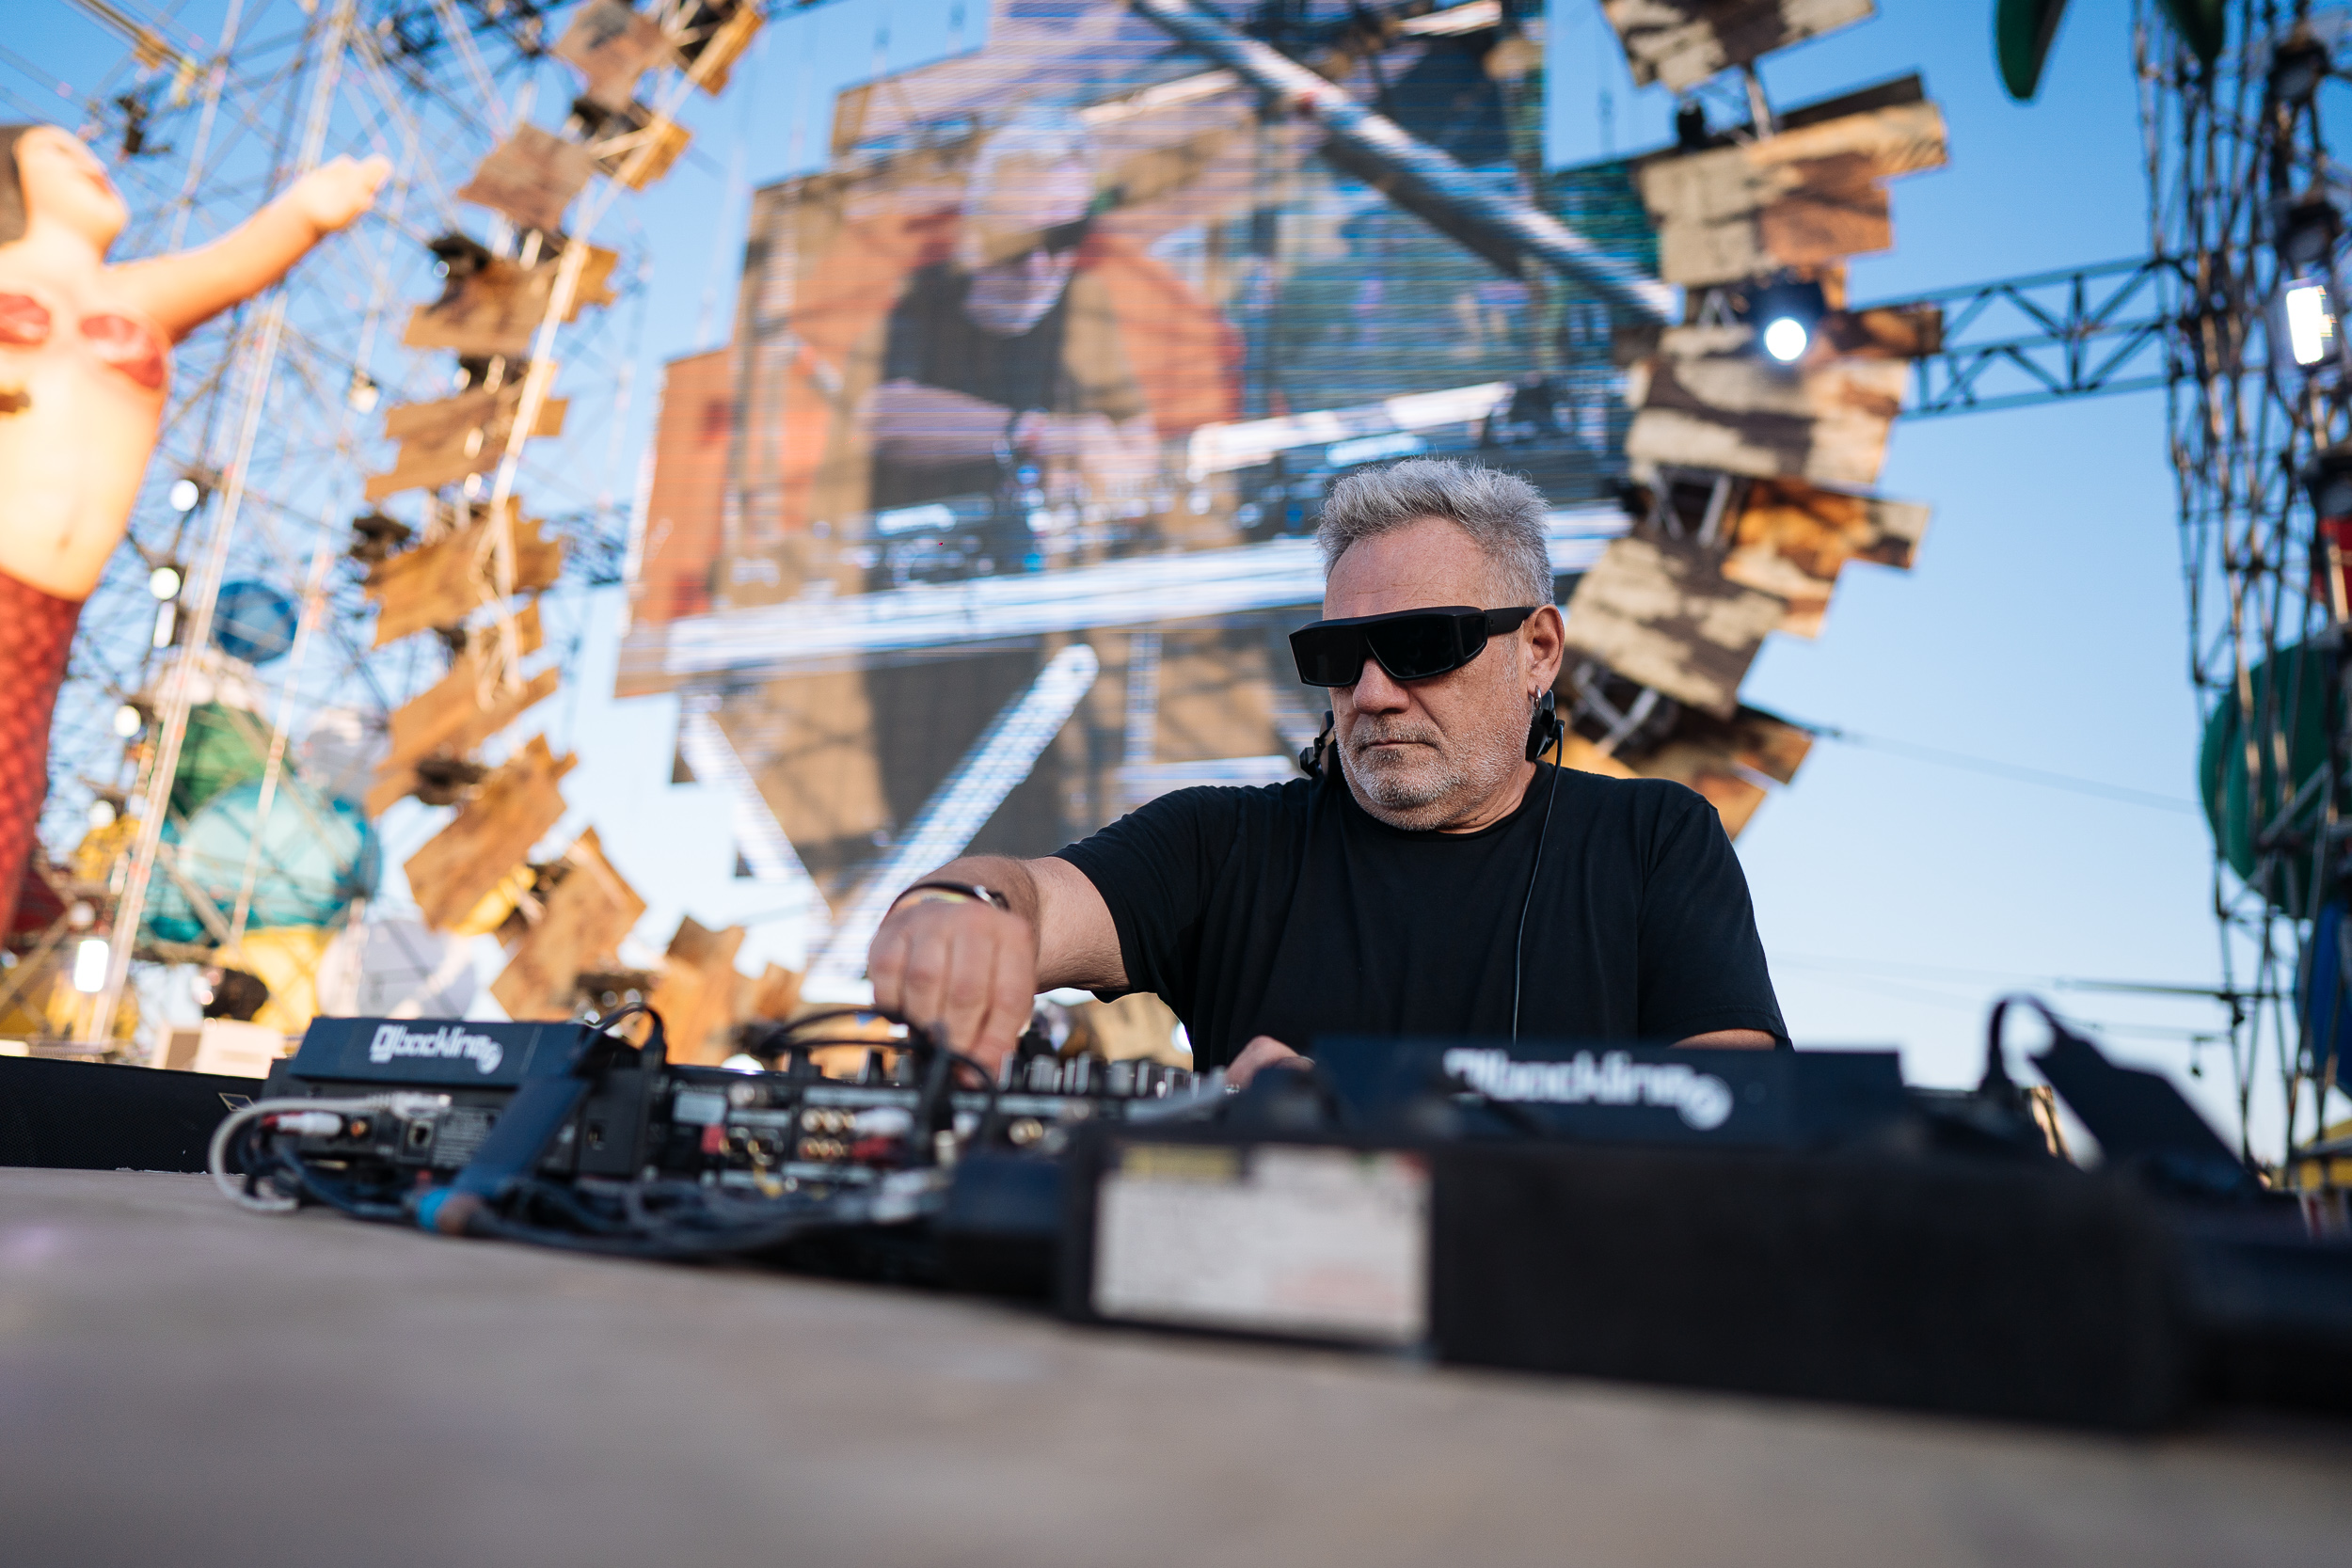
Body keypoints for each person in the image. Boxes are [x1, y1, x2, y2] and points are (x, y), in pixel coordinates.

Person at [866, 457, 1786, 1083]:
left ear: (1538, 649)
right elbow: (1034, 897)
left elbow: (1735, 1109)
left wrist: (1379, 1106)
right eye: (1338, 657)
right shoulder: (1222, 843)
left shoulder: (1654, 839)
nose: (1373, 693)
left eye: (1422, 645)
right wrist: (962, 909)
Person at [0, 125, 385, 936]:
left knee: (11, 791)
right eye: (59, 152)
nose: (90, 161)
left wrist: (308, 214)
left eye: (92, 153)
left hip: (42, 621)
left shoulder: (135, 295)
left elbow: (235, 261)